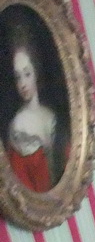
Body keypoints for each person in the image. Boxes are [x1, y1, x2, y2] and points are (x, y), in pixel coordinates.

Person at [5, 42, 60, 193]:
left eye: (27, 74)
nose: (23, 84)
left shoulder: (50, 117)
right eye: (18, 77)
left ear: (36, 73)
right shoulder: (18, 124)